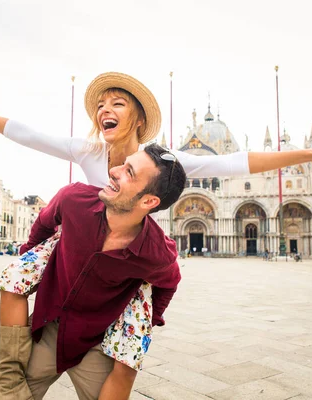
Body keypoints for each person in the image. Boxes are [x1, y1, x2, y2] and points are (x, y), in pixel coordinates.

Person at [0, 72, 312, 398]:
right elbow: (28, 134)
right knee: (15, 279)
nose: (105, 109)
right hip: (81, 244)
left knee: (129, 353)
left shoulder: (162, 163)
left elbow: (235, 162)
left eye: (117, 103)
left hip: (128, 259)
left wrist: (311, 154)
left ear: (137, 118)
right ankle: (9, 382)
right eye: (101, 105)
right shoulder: (87, 151)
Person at [10, 144, 186, 399]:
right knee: (14, 394)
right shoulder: (73, 199)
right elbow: (43, 225)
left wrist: (145, 325)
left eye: (129, 172)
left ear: (149, 201)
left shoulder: (156, 252)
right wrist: (27, 266)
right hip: (47, 329)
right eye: (122, 164)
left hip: (96, 342)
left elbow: (170, 283)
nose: (113, 171)